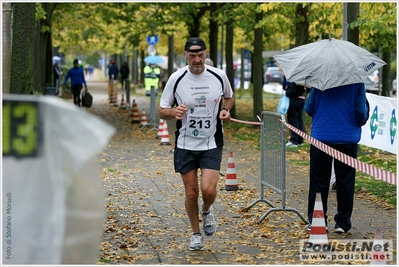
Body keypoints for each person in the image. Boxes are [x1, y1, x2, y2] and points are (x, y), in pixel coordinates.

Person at [158, 37, 234, 251]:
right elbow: (162, 111)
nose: (197, 60)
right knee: (191, 193)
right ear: (185, 56)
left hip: (211, 142)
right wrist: (174, 112)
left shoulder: (219, 76)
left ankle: (207, 211)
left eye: (200, 55)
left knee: (208, 191)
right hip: (185, 144)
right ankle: (195, 233)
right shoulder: (176, 78)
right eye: (192, 56)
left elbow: (229, 97)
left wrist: (226, 111)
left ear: (205, 54)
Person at [304, 83, 369, 234]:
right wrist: (361, 120)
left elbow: (309, 108)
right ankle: (343, 222)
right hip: (347, 137)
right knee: (345, 180)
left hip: (321, 137)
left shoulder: (319, 81)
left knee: (319, 180)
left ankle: (317, 220)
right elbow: (360, 112)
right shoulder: (357, 83)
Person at [282, 76, 305, 147]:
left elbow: (291, 90)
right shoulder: (301, 76)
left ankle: (294, 140)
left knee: (293, 120)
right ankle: (300, 140)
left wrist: (287, 90)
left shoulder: (293, 77)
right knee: (299, 120)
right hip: (301, 98)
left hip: (294, 100)